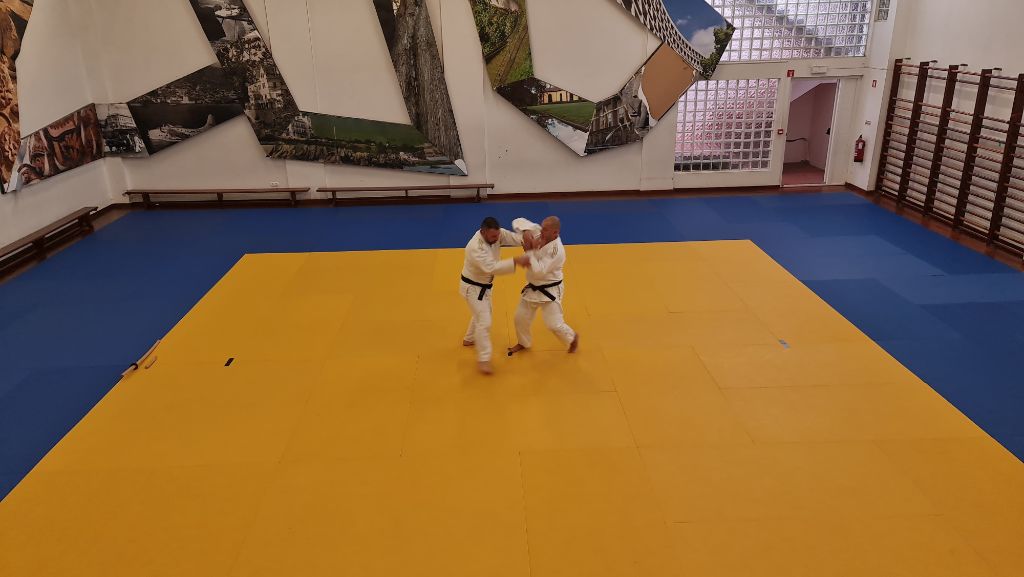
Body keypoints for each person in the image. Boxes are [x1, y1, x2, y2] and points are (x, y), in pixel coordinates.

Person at [460, 216, 530, 374]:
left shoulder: (497, 234)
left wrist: (525, 239)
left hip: (484, 286)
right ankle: (483, 359)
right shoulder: (475, 247)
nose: (497, 238)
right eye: (493, 236)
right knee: (484, 321)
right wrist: (516, 261)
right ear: (483, 232)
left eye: (497, 235)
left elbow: (511, 237)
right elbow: (492, 268)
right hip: (472, 288)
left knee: (481, 313)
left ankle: (469, 338)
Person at [507, 216, 578, 356]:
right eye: (542, 227)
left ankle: (572, 338)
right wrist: (526, 232)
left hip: (550, 289)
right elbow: (517, 221)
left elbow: (539, 271)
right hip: (533, 287)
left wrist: (530, 251)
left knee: (554, 324)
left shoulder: (557, 251)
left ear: (555, 232)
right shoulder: (540, 233)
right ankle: (524, 342)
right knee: (520, 318)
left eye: (545, 229)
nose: (541, 231)